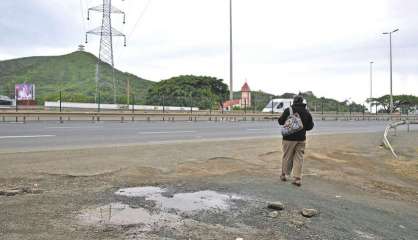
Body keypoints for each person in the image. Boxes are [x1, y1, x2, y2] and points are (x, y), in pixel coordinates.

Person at [278, 95, 314, 187]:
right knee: (299, 157)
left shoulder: (289, 110)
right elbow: (310, 127)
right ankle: (297, 179)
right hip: (301, 139)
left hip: (288, 138)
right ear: (302, 102)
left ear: (294, 101)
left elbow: (281, 122)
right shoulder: (306, 112)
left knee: (287, 156)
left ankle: (284, 175)